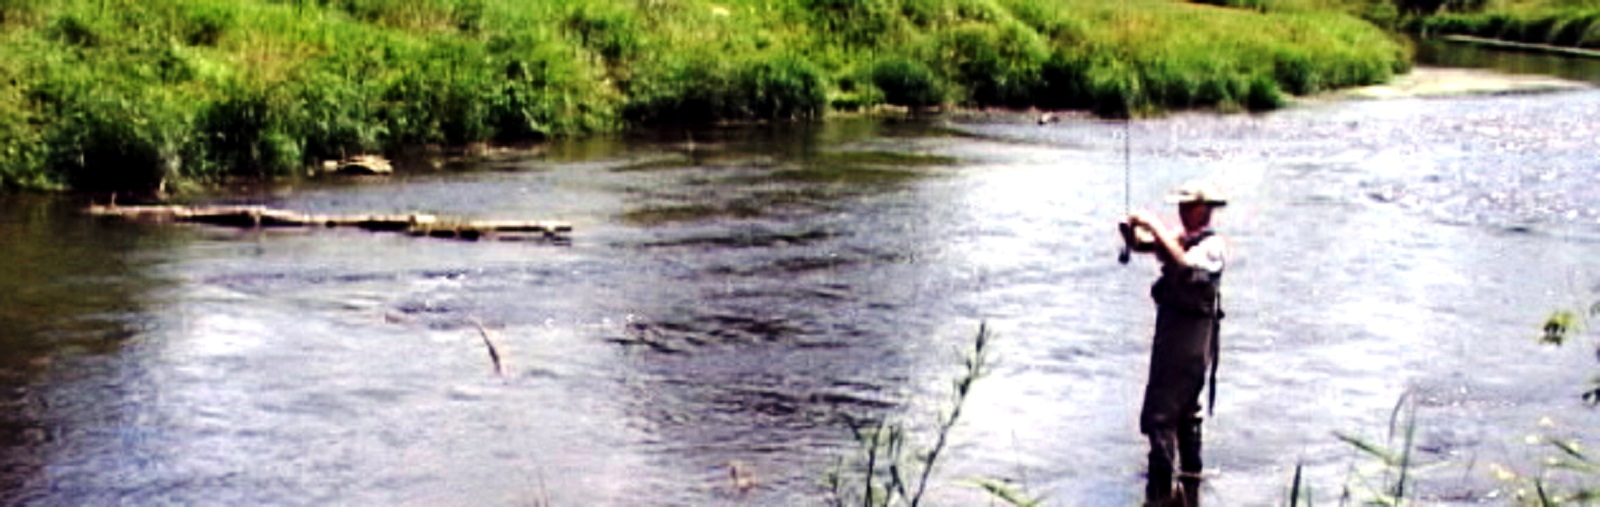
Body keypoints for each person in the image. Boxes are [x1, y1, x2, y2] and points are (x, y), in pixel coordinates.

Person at [1120, 181, 1228, 506]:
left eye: (1188, 206)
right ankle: (1190, 487)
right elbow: (1150, 246)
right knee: (1184, 411)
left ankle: (1161, 490)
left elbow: (1181, 262)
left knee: (1161, 413)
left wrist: (1152, 223)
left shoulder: (1212, 246)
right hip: (1177, 334)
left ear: (1205, 210)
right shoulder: (1184, 238)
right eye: (1181, 206)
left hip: (1190, 339)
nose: (1182, 211)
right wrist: (1131, 234)